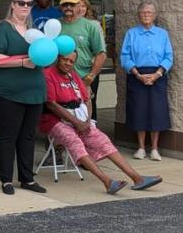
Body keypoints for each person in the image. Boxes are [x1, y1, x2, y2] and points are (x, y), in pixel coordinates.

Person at [42, 50, 162, 194]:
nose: (68, 64)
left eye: (72, 61)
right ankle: (107, 182)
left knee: (103, 140)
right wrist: (77, 123)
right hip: (55, 120)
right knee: (74, 141)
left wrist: (86, 121)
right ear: (58, 59)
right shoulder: (48, 74)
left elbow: (86, 99)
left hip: (79, 119)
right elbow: (52, 105)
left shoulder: (73, 76)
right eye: (65, 60)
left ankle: (138, 178)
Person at [0, 0, 48, 196]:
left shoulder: (35, 30)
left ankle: (27, 179)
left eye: (29, 3)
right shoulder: (2, 28)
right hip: (8, 91)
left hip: (34, 90)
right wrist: (21, 62)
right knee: (8, 136)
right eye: (21, 3)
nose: (26, 6)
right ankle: (6, 179)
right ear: (12, 5)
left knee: (28, 136)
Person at [121, 1, 174, 161]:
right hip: (137, 75)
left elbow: (168, 56)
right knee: (139, 111)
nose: (146, 15)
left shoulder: (162, 34)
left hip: (157, 75)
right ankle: (141, 148)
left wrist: (157, 74)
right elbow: (125, 56)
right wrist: (138, 75)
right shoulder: (131, 33)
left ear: (155, 15)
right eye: (143, 12)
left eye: (149, 12)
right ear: (138, 15)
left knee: (156, 112)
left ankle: (155, 149)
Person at [58, 0, 107, 121]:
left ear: (78, 7)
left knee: (86, 115)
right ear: (61, 7)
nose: (68, 7)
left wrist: (91, 76)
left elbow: (101, 54)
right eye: (65, 4)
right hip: (60, 79)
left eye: (72, 4)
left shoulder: (90, 26)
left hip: (84, 78)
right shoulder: (56, 26)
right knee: (63, 115)